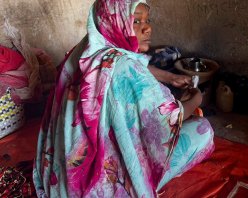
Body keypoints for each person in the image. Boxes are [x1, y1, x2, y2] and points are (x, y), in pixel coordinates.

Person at [32, 0, 215, 197]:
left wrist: (170, 77)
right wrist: (196, 99)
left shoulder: (85, 50)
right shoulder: (125, 69)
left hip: (65, 177)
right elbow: (169, 119)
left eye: (147, 20)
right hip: (105, 183)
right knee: (202, 130)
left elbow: (128, 63)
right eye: (136, 21)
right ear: (115, 21)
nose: (147, 28)